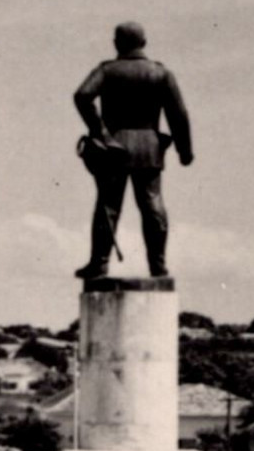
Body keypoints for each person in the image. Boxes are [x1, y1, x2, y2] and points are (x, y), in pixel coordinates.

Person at [72, 21, 193, 279]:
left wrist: (100, 132)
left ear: (117, 43)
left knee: (108, 206)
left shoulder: (107, 71)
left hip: (113, 149)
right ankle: (158, 266)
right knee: (153, 205)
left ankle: (100, 263)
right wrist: (185, 150)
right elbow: (178, 114)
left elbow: (82, 96)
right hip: (149, 149)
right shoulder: (161, 73)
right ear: (144, 43)